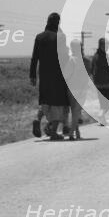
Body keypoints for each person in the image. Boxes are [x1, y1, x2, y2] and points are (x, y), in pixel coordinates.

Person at [30, 12, 70, 140]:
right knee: (59, 103)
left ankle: (37, 119)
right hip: (58, 76)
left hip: (44, 75)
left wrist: (32, 75)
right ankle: (53, 132)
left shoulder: (39, 37)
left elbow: (34, 58)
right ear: (58, 23)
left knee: (45, 101)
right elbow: (64, 58)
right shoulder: (60, 37)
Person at [65, 39, 89, 140]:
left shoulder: (71, 60)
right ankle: (74, 132)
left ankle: (74, 132)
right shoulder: (86, 61)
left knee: (74, 111)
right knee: (76, 112)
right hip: (82, 89)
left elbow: (66, 75)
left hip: (72, 89)